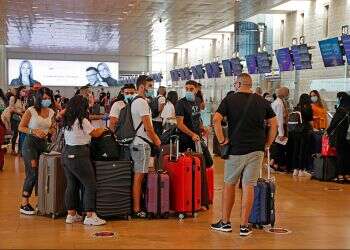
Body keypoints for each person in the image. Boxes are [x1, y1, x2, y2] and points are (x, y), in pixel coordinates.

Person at [210, 73, 277, 237]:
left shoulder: (230, 100)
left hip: (236, 150)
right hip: (256, 150)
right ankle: (244, 226)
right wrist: (268, 143)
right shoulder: (262, 101)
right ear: (250, 84)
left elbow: (216, 120)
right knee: (249, 186)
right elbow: (274, 123)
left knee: (229, 184)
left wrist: (221, 140)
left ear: (239, 83)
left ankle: (225, 222)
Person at [62, 95, 106, 225]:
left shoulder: (67, 120)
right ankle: (90, 216)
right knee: (90, 184)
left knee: (71, 184)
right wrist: (103, 128)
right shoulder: (82, 120)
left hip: (67, 154)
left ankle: (71, 215)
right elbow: (96, 134)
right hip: (80, 154)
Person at [18, 87, 56, 215]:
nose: (47, 100)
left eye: (49, 98)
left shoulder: (51, 112)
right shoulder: (31, 110)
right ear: (39, 98)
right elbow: (21, 127)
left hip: (43, 144)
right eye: (44, 98)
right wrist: (33, 131)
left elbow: (52, 127)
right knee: (32, 172)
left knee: (43, 173)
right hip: (30, 144)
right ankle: (24, 203)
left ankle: (42, 202)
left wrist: (50, 131)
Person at [130, 75, 161, 218]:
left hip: (139, 143)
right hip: (141, 145)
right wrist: (157, 140)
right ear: (141, 87)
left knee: (140, 176)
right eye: (149, 86)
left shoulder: (137, 101)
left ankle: (139, 205)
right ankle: (136, 209)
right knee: (139, 177)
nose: (151, 89)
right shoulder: (141, 102)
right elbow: (148, 127)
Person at [176, 80, 205, 152]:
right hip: (185, 137)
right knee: (187, 161)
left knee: (199, 160)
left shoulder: (198, 100)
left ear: (196, 89)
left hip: (197, 136)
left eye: (191, 89)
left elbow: (198, 116)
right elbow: (180, 124)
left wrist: (202, 127)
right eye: (186, 89)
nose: (188, 91)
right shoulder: (181, 103)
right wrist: (192, 135)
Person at [327, 94, 350, 182]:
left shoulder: (340, 110)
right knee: (348, 155)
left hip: (340, 136)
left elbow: (333, 123)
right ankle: (347, 175)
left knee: (340, 155)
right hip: (348, 137)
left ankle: (340, 175)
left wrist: (328, 131)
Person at [290, 94, 314, 177]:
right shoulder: (308, 108)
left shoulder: (296, 107)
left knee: (296, 150)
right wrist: (313, 129)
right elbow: (310, 121)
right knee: (303, 151)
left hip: (295, 131)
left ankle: (295, 170)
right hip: (304, 131)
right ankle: (301, 170)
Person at [270, 87, 289, 171]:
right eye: (287, 93)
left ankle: (274, 163)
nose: (288, 95)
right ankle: (274, 164)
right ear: (284, 93)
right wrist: (281, 132)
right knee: (279, 147)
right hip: (279, 128)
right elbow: (279, 118)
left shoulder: (276, 102)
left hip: (276, 127)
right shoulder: (279, 104)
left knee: (277, 146)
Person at [9, 86, 26, 154]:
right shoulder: (13, 98)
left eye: (25, 91)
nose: (24, 92)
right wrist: (20, 113)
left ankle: (20, 150)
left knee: (21, 134)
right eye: (23, 91)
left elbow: (23, 109)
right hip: (15, 118)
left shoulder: (23, 99)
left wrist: (24, 111)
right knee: (15, 134)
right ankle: (13, 149)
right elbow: (11, 108)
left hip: (21, 118)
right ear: (19, 91)